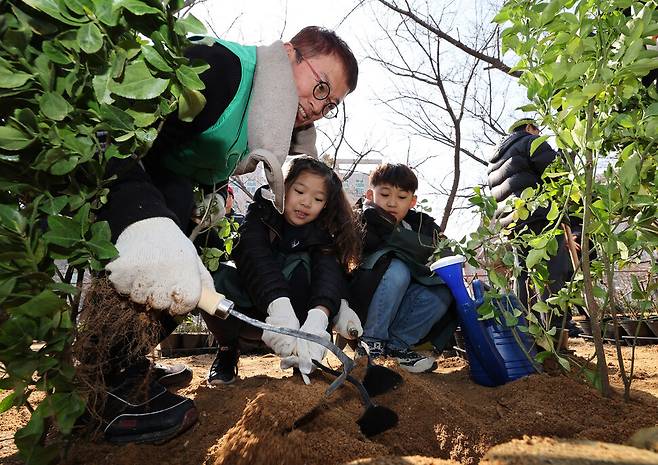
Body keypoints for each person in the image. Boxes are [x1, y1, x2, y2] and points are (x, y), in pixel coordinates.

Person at [96, 27, 359, 444]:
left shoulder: (268, 124)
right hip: (118, 185)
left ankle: (124, 363)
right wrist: (140, 218)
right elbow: (108, 129)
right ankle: (108, 393)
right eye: (320, 87)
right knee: (165, 257)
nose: (318, 107)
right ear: (290, 53)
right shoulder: (220, 66)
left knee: (200, 263)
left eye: (331, 104)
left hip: (172, 189)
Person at [204, 157, 363, 385]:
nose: (306, 203)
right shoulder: (260, 213)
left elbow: (327, 278)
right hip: (252, 315)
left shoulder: (324, 233)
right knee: (213, 279)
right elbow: (255, 258)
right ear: (283, 187)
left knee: (308, 272)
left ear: (326, 204)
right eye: (299, 191)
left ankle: (305, 357)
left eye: (318, 199)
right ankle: (227, 351)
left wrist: (319, 318)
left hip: (301, 322)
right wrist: (279, 308)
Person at [349, 164, 456, 373]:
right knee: (398, 267)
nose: (391, 203)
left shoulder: (423, 227)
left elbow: (443, 254)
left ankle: (398, 346)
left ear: (412, 201)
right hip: (363, 308)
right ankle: (371, 344)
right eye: (385, 194)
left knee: (443, 289)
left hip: (404, 304)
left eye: (401, 197)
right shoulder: (361, 219)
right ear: (370, 194)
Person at [487, 118, 579, 335]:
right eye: (537, 129)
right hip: (541, 216)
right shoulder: (532, 142)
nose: (539, 134)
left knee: (523, 273)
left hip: (512, 223)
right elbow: (556, 174)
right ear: (529, 128)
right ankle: (555, 329)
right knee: (551, 272)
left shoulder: (494, 161)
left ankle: (527, 329)